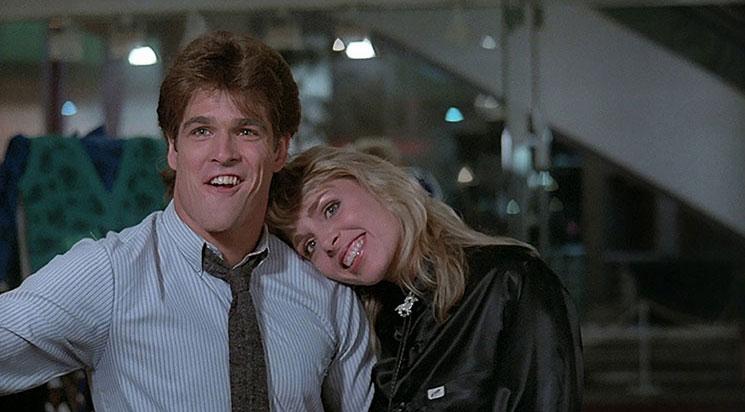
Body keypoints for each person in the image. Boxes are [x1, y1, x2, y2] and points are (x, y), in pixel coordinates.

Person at [0, 31, 374, 411]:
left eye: (246, 131)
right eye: (201, 131)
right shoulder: (112, 274)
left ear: (279, 149)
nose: (223, 153)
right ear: (173, 149)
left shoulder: (327, 295)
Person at [267, 145, 583, 411]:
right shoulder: (373, 329)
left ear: (375, 183)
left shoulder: (510, 282)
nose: (327, 242)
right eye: (309, 246)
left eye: (330, 208)